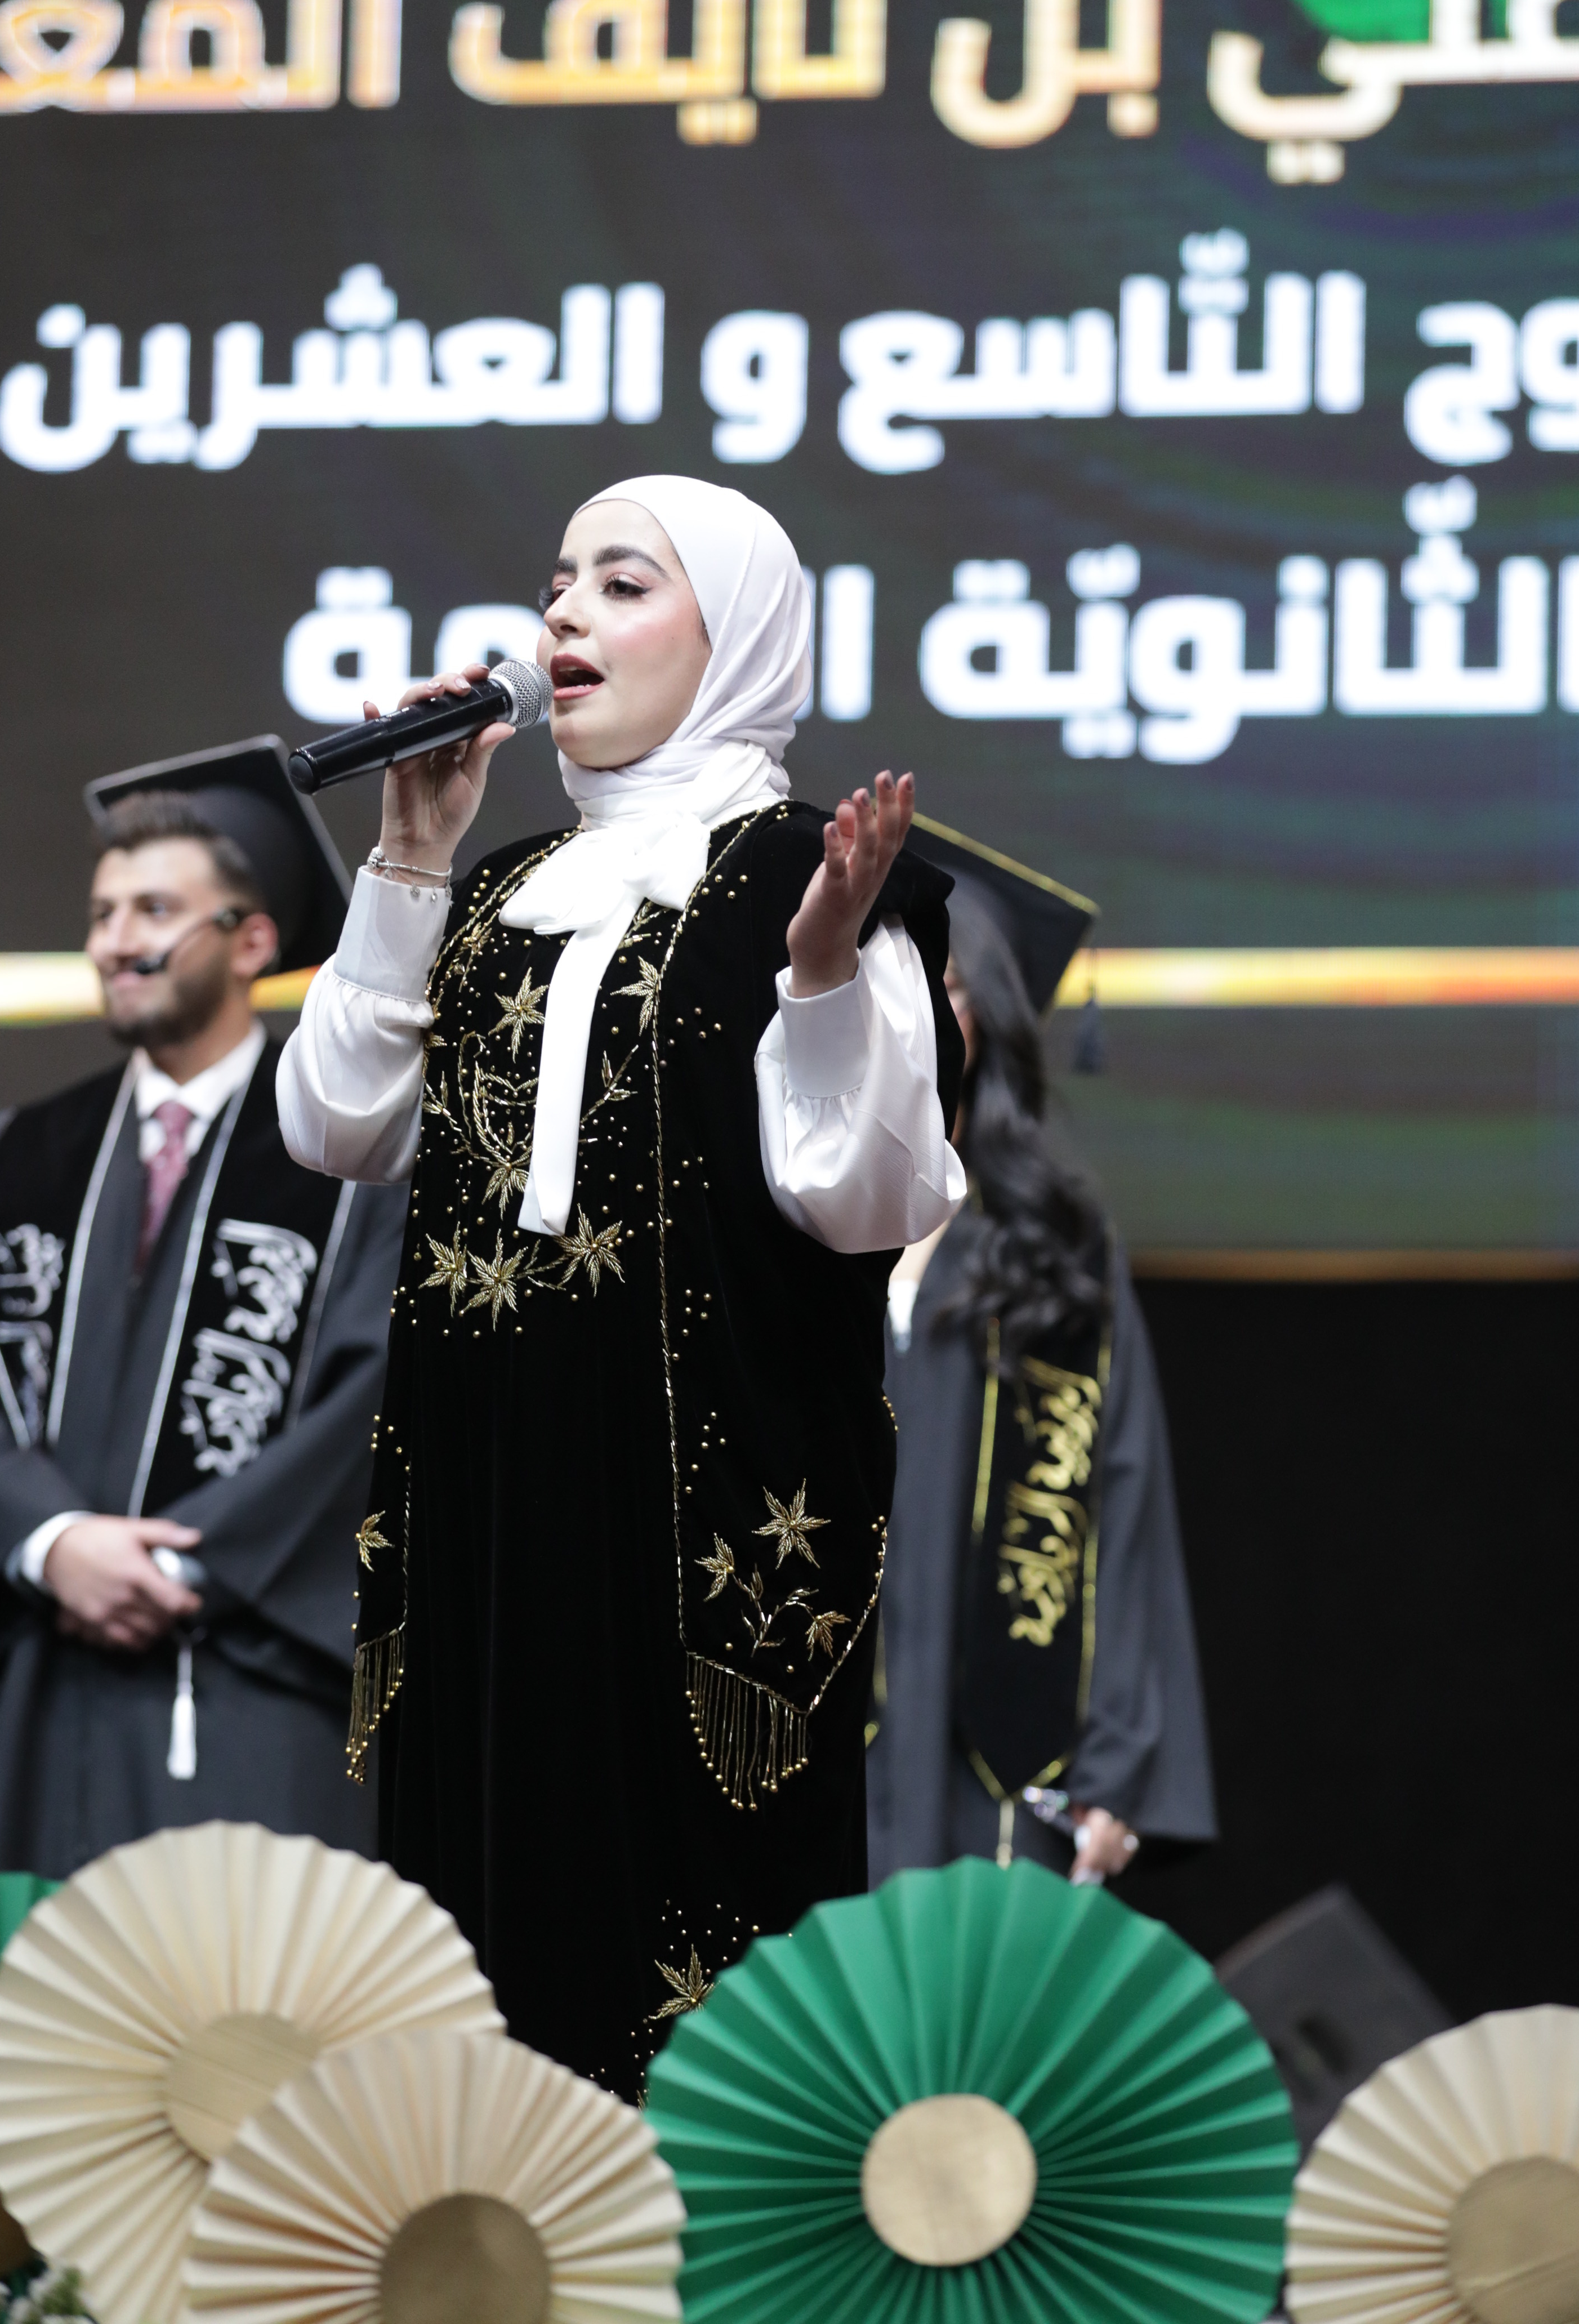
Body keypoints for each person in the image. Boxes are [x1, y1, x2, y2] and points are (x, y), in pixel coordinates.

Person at [278, 475, 966, 2098]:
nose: (564, 614)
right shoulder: (496, 892)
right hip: (481, 1515)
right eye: (559, 581)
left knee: (686, 1983)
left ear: (740, 636)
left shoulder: (822, 876)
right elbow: (335, 1127)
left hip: (691, 1535)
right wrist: (408, 862)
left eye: (624, 582)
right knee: (475, 1971)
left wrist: (820, 972)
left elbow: (866, 1196)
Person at [0, 739, 409, 1874]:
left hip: (250, 1681)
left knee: (232, 1977)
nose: (116, 941)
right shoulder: (10, 1156)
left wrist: (186, 1563)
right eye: (103, 913)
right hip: (30, 1681)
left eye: (154, 910)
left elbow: (372, 1403)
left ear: (250, 941)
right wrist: (54, 1544)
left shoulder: (351, 1160)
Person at [867, 821, 1216, 1889]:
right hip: (813, 1752)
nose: (910, 1016)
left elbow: (1122, 1501)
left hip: (996, 1767)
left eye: (944, 986)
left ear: (992, 1019)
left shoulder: (1056, 1257)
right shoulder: (783, 1233)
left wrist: (1117, 1765)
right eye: (880, 981)